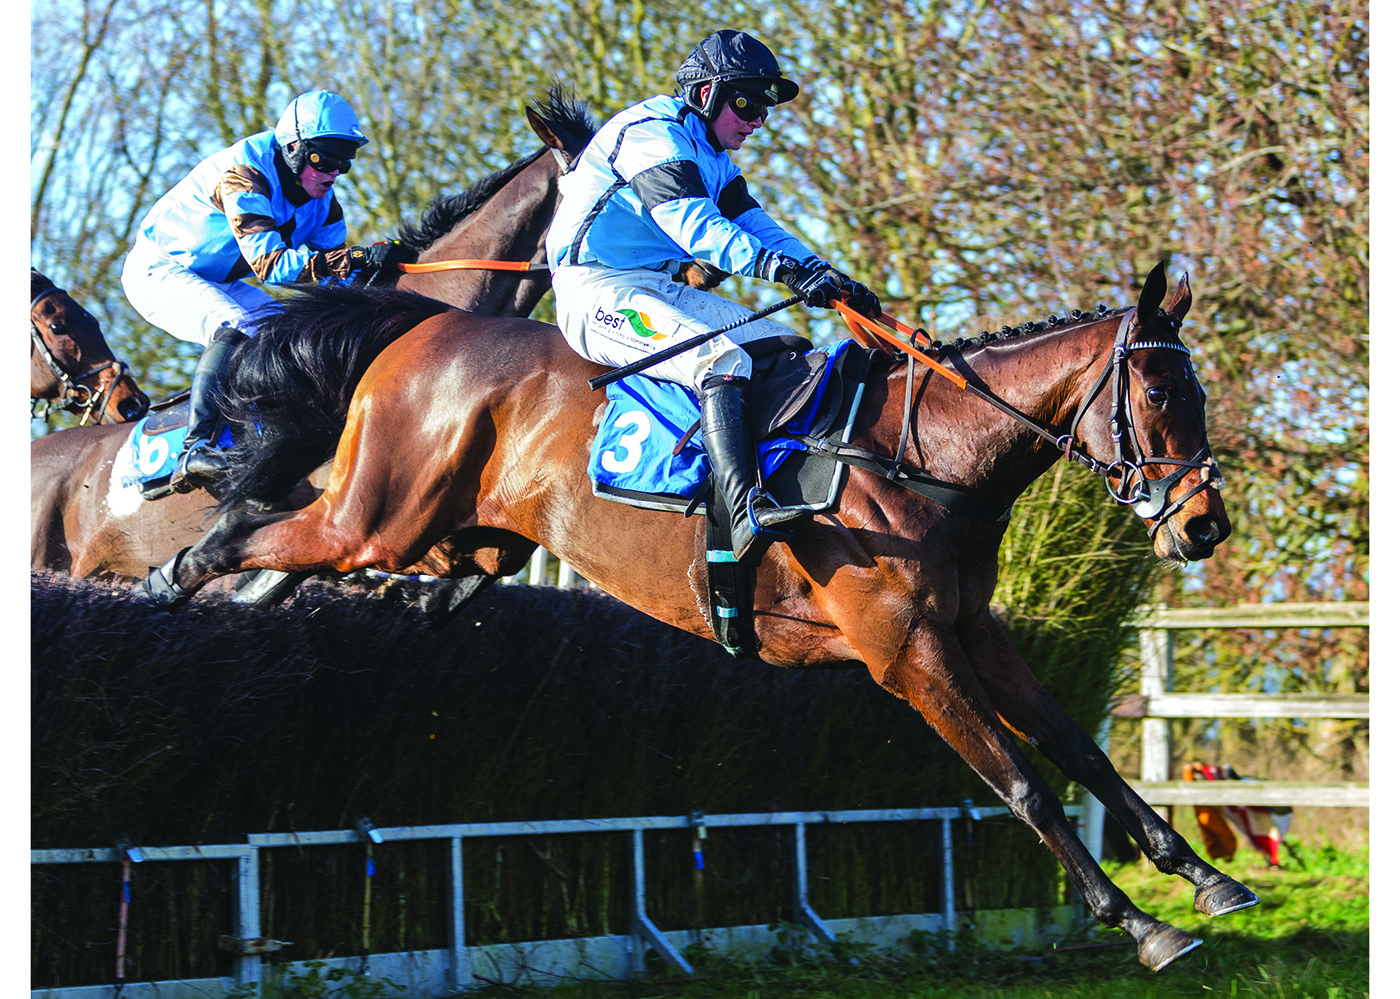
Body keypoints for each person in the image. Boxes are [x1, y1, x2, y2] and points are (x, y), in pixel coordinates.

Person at [546, 29, 881, 563]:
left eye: (765, 108)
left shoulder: (713, 154)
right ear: (706, 93)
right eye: (747, 102)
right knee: (722, 360)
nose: (757, 120)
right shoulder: (651, 135)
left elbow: (758, 225)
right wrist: (784, 271)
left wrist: (825, 272)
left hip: (655, 285)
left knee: (782, 346)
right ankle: (741, 508)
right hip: (593, 289)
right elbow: (694, 227)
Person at [121, 90, 414, 494]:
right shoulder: (244, 176)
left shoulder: (325, 206)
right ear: (294, 150)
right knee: (233, 324)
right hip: (158, 269)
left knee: (286, 334)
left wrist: (383, 275)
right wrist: (355, 258)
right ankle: (194, 448)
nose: (335, 172)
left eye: (345, 159)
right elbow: (272, 267)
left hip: (218, 278)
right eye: (325, 158)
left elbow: (336, 287)